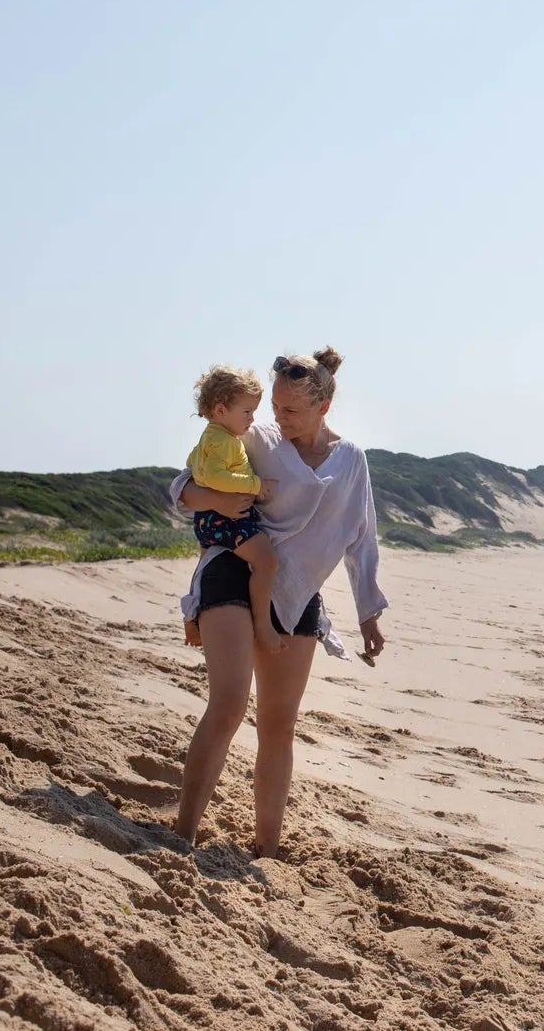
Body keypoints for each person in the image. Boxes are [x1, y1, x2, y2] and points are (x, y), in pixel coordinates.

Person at [168, 346, 387, 856]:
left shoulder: (351, 460)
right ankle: (181, 835)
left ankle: (266, 847)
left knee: (278, 724)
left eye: (291, 410)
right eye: (275, 407)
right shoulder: (256, 440)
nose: (277, 417)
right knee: (227, 705)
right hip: (232, 569)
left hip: (297, 593)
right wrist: (216, 499)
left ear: (323, 408)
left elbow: (362, 537)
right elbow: (181, 487)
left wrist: (369, 613)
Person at [185, 365, 285, 653]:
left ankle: (191, 617)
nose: (252, 420)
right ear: (220, 410)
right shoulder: (223, 442)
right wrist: (255, 485)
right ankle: (263, 626)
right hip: (225, 520)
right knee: (267, 561)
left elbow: (193, 465)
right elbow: (213, 477)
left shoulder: (210, 436)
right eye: (247, 412)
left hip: (210, 520)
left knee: (204, 566)